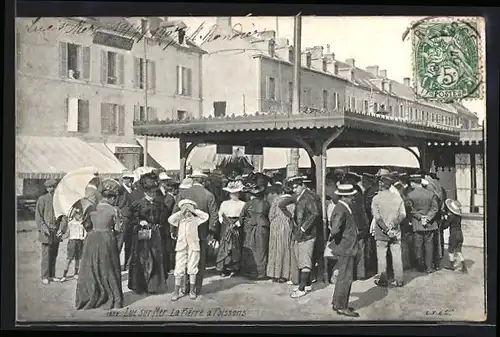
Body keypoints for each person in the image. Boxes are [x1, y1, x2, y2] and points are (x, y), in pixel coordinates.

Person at [75, 179, 124, 310]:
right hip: (107, 238)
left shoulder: (91, 207)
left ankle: (91, 297)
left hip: (91, 239)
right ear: (112, 197)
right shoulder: (114, 210)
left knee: (91, 268)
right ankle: (114, 299)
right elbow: (119, 229)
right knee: (109, 268)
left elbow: (86, 225)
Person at [174, 170, 218, 296]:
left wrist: (174, 230)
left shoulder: (183, 193)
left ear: (193, 180)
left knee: (182, 259)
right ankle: (195, 288)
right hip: (201, 233)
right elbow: (213, 216)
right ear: (203, 181)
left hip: (183, 231)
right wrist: (211, 232)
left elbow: (175, 212)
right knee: (198, 260)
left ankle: (183, 287)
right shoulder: (209, 195)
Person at [127, 175, 169, 295]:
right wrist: (140, 221)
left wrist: (159, 225)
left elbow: (164, 218)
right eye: (151, 191)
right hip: (142, 235)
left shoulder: (160, 204)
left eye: (154, 191)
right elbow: (131, 219)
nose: (153, 194)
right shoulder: (138, 204)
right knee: (142, 259)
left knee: (156, 258)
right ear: (145, 191)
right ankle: (141, 286)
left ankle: (154, 286)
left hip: (156, 234)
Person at [280, 176, 320, 299]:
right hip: (301, 233)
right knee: (301, 258)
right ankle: (306, 284)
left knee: (305, 261)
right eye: (292, 187)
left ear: (302, 184)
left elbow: (315, 214)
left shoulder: (309, 196)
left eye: (296, 186)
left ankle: (302, 289)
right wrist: (291, 217)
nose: (294, 189)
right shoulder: (300, 196)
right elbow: (282, 204)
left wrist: (303, 228)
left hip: (308, 234)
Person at [328, 184, 360, 318]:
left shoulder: (342, 207)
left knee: (342, 277)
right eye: (351, 195)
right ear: (345, 196)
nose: (353, 197)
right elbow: (335, 230)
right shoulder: (342, 209)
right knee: (345, 278)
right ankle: (342, 306)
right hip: (346, 248)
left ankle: (337, 303)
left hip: (345, 247)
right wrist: (342, 240)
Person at [168, 199, 209, 301]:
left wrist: (194, 210)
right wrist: (181, 211)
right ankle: (176, 291)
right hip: (181, 246)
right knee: (179, 268)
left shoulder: (196, 220)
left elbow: (206, 216)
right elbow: (170, 219)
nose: (187, 213)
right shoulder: (179, 220)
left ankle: (192, 290)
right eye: (185, 211)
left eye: (189, 211)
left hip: (193, 246)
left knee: (192, 267)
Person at [371, 175, 407, 287]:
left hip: (381, 232)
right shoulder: (398, 198)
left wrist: (386, 229)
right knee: (397, 255)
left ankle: (382, 279)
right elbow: (403, 214)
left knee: (381, 256)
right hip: (395, 230)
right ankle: (399, 279)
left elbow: (377, 218)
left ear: (381, 184)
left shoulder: (376, 199)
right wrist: (393, 224)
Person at [407, 175, 439, 273]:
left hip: (417, 223)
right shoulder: (431, 193)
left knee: (418, 246)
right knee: (429, 246)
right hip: (430, 224)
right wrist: (428, 218)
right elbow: (435, 208)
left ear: (413, 183)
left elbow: (411, 210)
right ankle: (429, 267)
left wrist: (420, 217)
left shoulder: (410, 195)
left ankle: (420, 267)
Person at [239, 184, 271, 280]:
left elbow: (241, 217)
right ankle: (262, 273)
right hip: (263, 228)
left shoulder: (248, 203)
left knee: (251, 249)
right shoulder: (266, 204)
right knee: (262, 250)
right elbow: (270, 216)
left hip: (250, 228)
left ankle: (252, 272)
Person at [344, 172, 371, 281]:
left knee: (351, 249)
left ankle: (352, 274)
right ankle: (361, 273)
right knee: (360, 248)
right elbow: (363, 210)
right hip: (360, 224)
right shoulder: (359, 191)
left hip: (351, 225)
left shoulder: (347, 192)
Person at [216, 180, 246, 276]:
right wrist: (223, 222)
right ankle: (223, 268)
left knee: (235, 246)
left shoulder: (243, 204)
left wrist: (237, 224)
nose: (234, 195)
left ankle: (234, 268)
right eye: (232, 193)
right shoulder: (224, 203)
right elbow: (220, 214)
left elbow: (243, 216)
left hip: (237, 225)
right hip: (226, 225)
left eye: (235, 193)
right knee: (225, 245)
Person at [35, 179, 62, 284]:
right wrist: (44, 229)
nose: (52, 189)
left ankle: (52, 275)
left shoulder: (59, 200)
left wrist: (61, 228)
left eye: (54, 187)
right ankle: (44, 276)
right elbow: (38, 216)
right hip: (46, 232)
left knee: (54, 254)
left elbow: (63, 215)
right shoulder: (42, 199)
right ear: (46, 188)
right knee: (46, 254)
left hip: (56, 231)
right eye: (50, 187)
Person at [267, 184, 295, 283]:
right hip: (287, 225)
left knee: (274, 249)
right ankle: (284, 274)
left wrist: (273, 223)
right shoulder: (293, 200)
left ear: (282, 191)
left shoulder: (276, 200)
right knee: (286, 249)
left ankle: (274, 273)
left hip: (276, 225)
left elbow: (271, 215)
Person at [60, 206, 87, 282]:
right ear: (75, 214)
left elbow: (85, 233)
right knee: (69, 259)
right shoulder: (71, 223)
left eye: (80, 214)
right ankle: (64, 275)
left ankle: (76, 273)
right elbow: (67, 233)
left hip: (80, 241)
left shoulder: (82, 223)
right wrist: (62, 236)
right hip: (72, 242)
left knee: (78, 259)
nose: (80, 216)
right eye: (78, 214)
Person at [442, 199, 467, 273]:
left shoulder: (451, 217)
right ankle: (464, 267)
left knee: (451, 250)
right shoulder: (459, 217)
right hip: (460, 234)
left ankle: (451, 265)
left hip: (454, 235)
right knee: (459, 251)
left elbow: (445, 225)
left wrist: (444, 220)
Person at [116, 170, 133, 270]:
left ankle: (127, 265)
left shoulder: (131, 189)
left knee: (129, 244)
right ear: (123, 179)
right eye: (127, 178)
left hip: (130, 220)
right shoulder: (120, 190)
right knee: (119, 243)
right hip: (123, 219)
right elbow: (118, 205)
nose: (129, 180)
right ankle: (115, 265)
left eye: (130, 178)